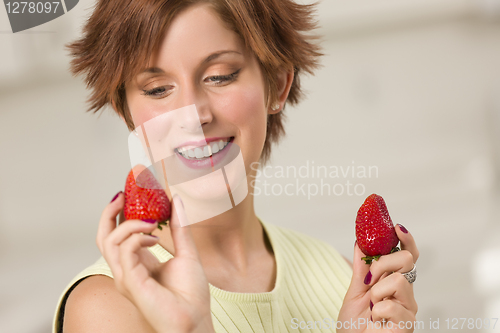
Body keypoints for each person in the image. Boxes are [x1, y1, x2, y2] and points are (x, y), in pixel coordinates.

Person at [53, 0, 419, 332]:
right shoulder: (105, 309)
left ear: (277, 84)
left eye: (220, 75)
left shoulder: (342, 277)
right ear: (127, 113)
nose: (193, 115)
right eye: (158, 89)